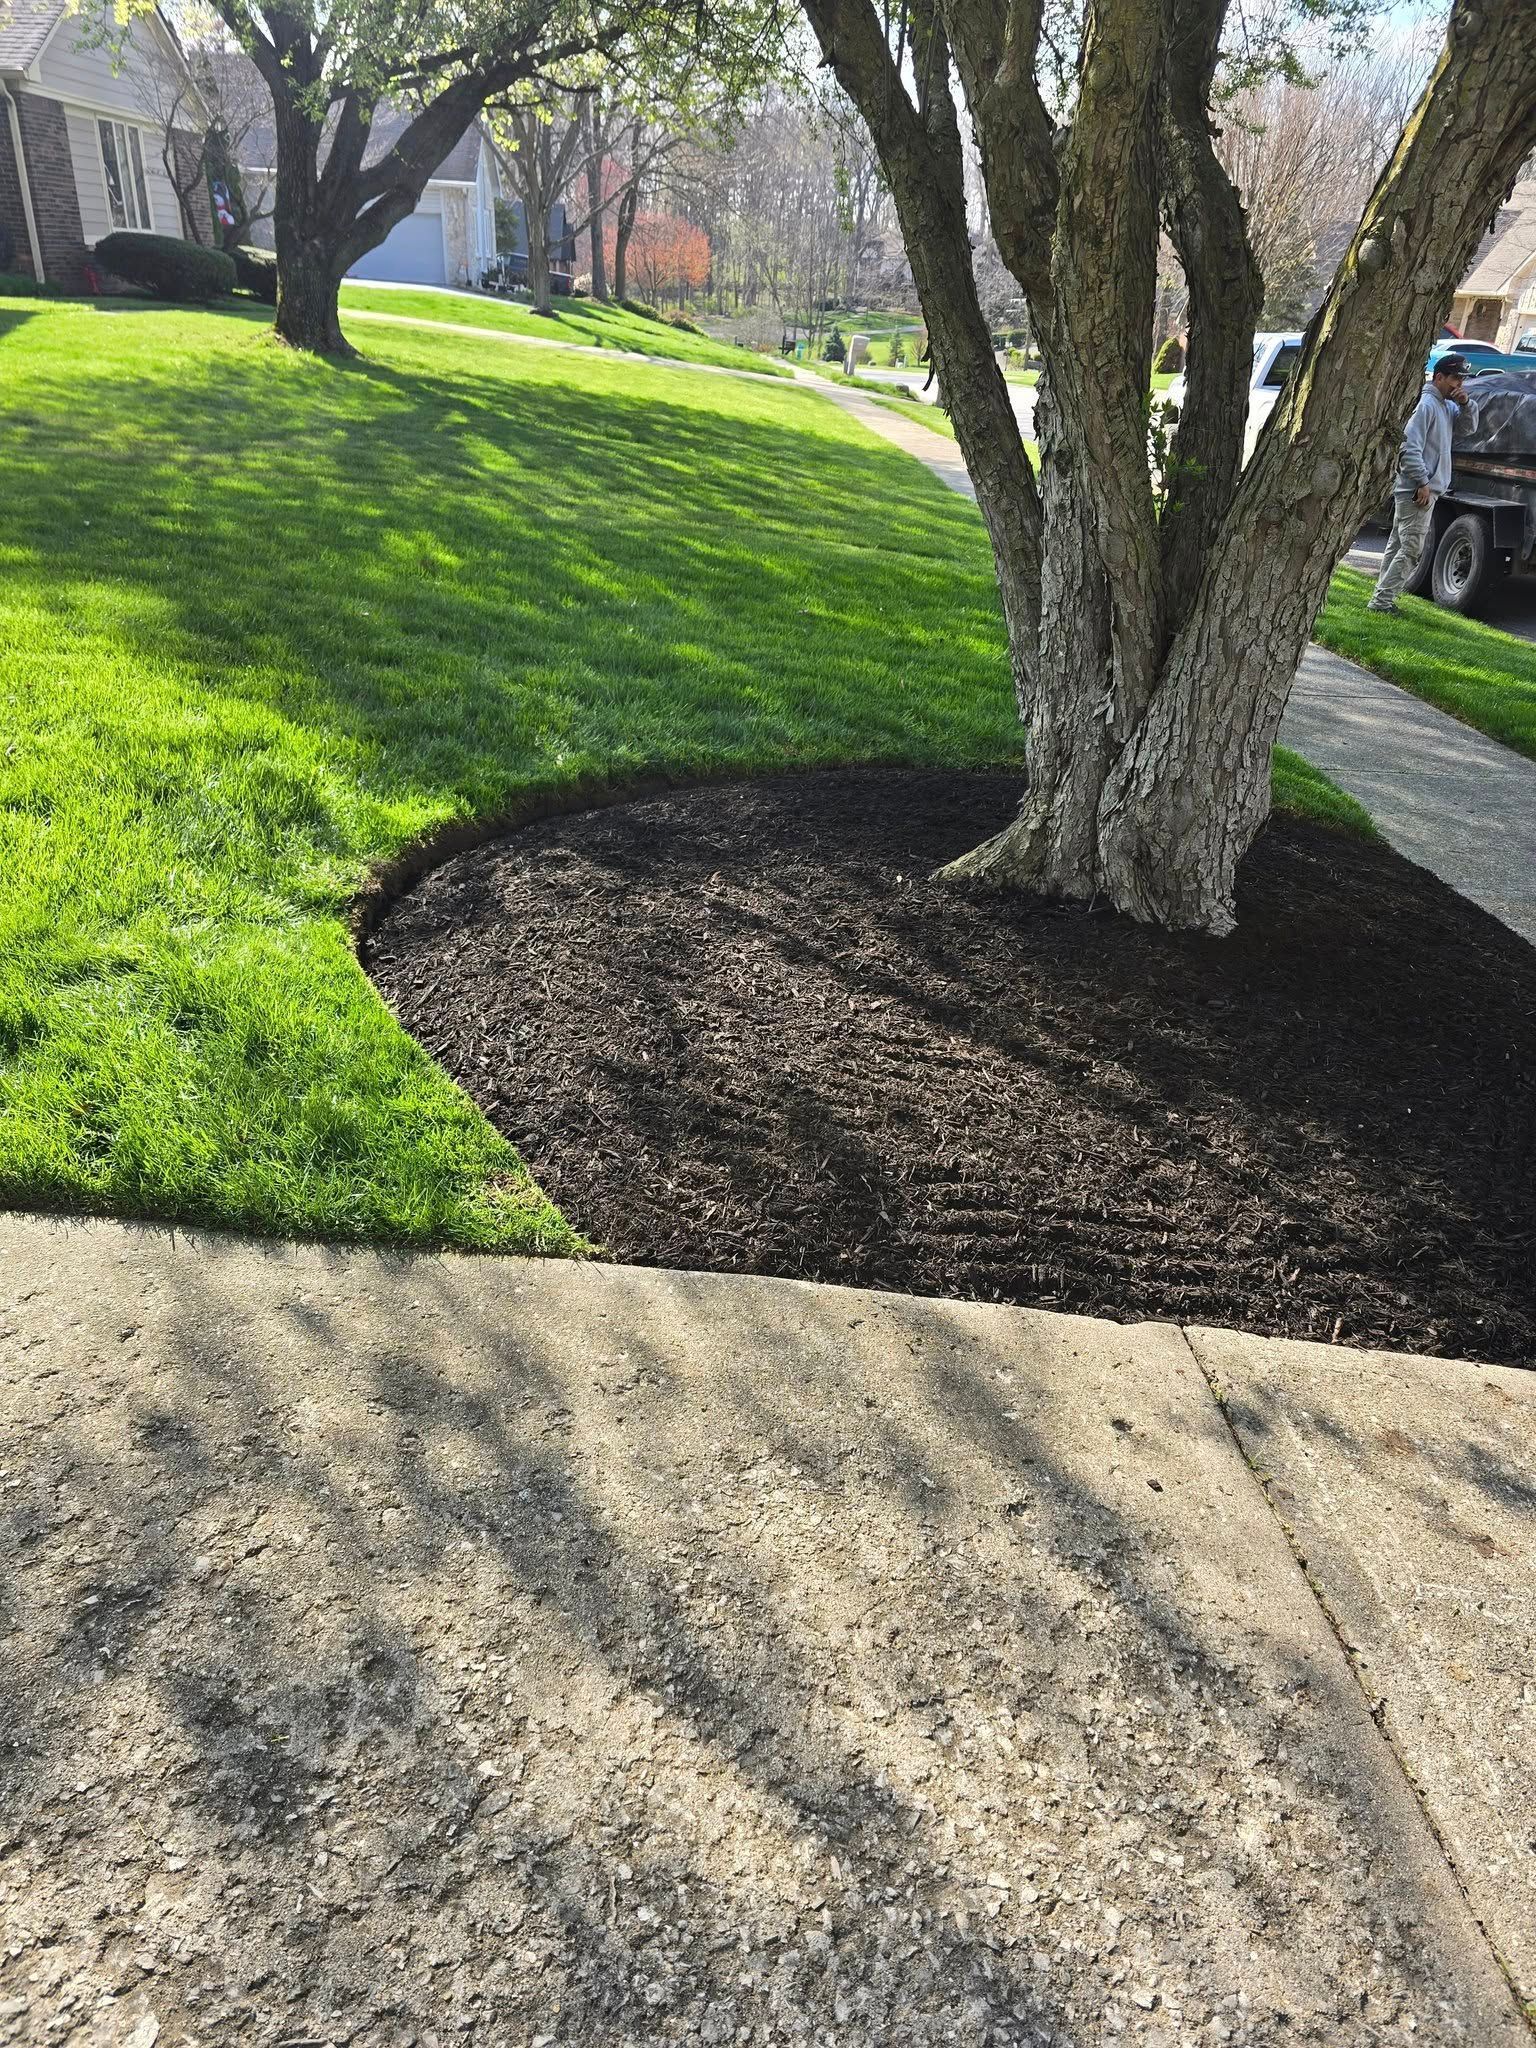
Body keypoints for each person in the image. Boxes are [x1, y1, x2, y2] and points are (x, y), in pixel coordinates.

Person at [1369, 352, 1471, 614]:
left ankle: (1381, 599)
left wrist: (1467, 405)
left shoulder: (1447, 406)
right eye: (1455, 379)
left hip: (1422, 488)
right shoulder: (1426, 405)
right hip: (1417, 491)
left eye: (1461, 380)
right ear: (1439, 377)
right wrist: (1422, 481)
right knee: (1412, 549)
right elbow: (1408, 447)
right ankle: (1381, 602)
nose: (1459, 384)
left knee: (1398, 546)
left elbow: (1468, 430)